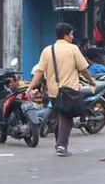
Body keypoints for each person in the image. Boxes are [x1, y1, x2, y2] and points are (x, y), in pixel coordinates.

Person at [27, 22, 96, 157]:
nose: (72, 37)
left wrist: (30, 87)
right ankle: (62, 146)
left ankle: (59, 144)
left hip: (53, 90)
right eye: (71, 35)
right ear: (66, 36)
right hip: (69, 90)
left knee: (58, 116)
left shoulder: (48, 50)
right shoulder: (73, 49)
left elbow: (39, 71)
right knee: (66, 117)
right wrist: (91, 81)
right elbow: (83, 70)